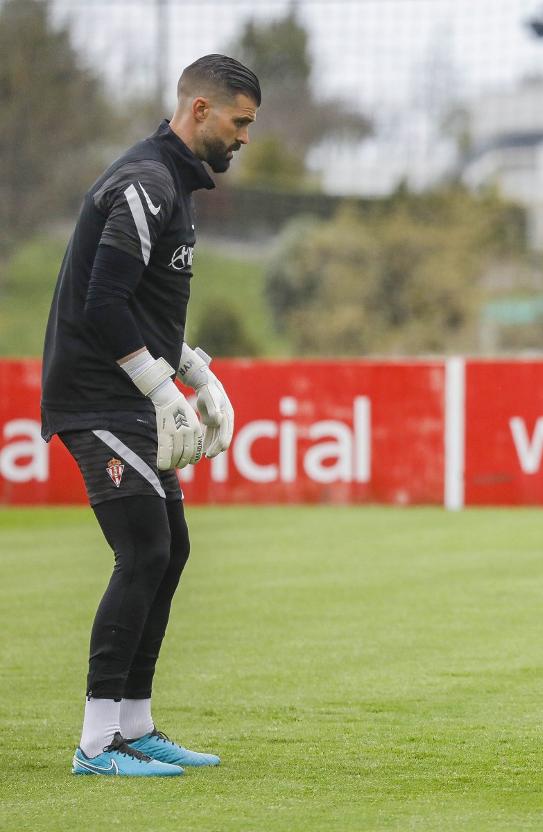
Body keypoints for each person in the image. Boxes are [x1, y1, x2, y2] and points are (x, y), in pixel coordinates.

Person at [41, 54, 260, 777]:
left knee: (171, 548)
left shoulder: (172, 184)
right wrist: (163, 389)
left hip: (128, 389)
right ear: (199, 110)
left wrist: (194, 370)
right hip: (97, 394)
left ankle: (134, 725)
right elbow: (103, 301)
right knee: (143, 549)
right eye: (239, 122)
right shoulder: (145, 181)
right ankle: (98, 743)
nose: (244, 138)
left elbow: (139, 300)